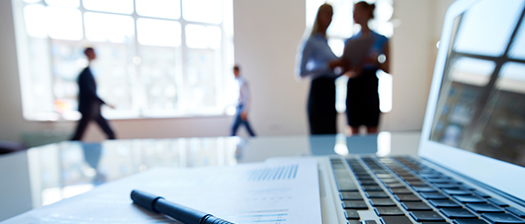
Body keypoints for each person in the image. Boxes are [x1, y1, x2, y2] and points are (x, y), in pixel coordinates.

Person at [344, 1, 390, 135]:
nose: (354, 15)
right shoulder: (350, 41)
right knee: (353, 131)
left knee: (372, 129)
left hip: (370, 85)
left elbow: (388, 68)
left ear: (366, 12)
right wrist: (353, 70)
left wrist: (376, 61)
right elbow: (344, 71)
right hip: (354, 86)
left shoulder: (381, 39)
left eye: (356, 11)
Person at [295, 3, 338, 135]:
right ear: (319, 16)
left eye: (332, 15)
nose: (330, 18)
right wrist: (327, 67)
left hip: (331, 92)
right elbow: (300, 73)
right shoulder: (311, 41)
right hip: (319, 92)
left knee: (331, 135)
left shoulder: (326, 42)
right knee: (319, 134)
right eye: (327, 14)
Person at [71, 47, 116, 141]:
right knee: (78, 136)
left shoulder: (89, 71)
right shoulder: (85, 73)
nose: (95, 54)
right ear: (88, 54)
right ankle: (66, 151)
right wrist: (106, 103)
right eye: (93, 52)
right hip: (89, 110)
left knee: (110, 133)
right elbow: (90, 93)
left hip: (94, 109)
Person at [231, 65, 256, 137]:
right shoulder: (236, 82)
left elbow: (247, 97)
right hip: (238, 107)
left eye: (234, 72)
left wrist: (245, 110)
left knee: (234, 128)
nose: (233, 74)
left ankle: (257, 140)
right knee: (248, 128)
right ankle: (256, 140)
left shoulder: (242, 82)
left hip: (241, 108)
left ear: (237, 71)